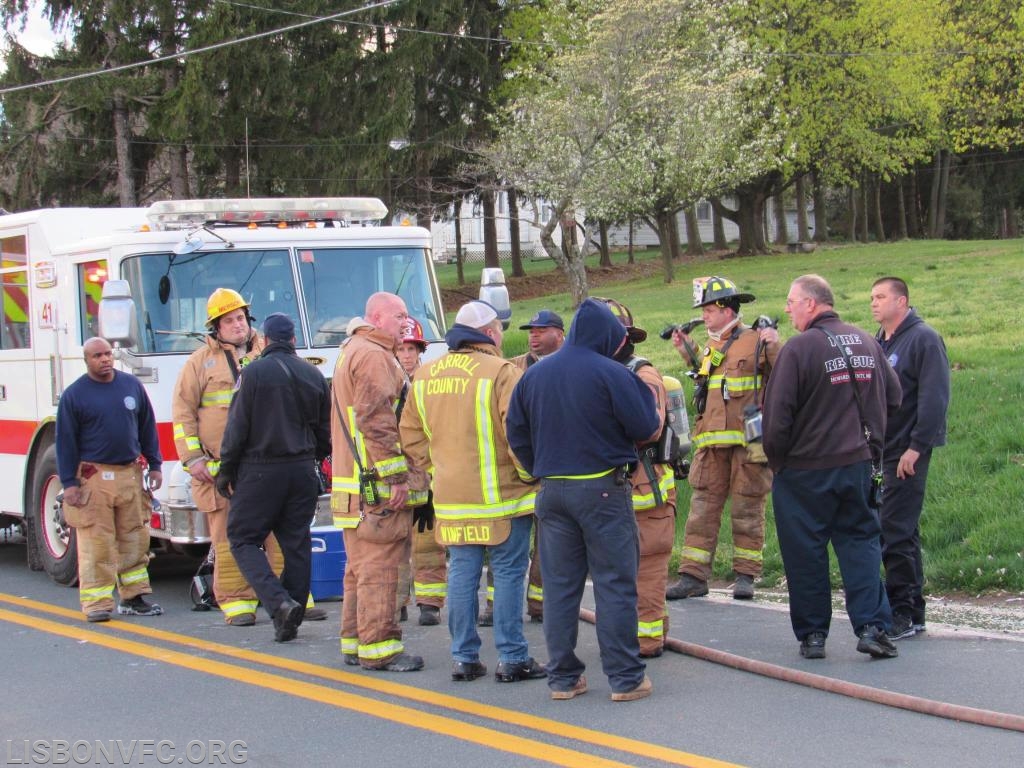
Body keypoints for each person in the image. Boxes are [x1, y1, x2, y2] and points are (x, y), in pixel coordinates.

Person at [507, 298, 661, 702]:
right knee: (613, 584)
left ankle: (563, 678)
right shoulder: (612, 373)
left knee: (559, 588)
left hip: (552, 493)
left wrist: (539, 466)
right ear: (608, 337)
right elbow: (647, 426)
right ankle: (625, 678)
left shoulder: (534, 375)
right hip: (603, 491)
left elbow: (515, 432)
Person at [401, 300, 545, 683]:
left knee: (461, 574)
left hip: (452, 499)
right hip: (502, 500)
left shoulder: (426, 375)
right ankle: (512, 657)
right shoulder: (501, 372)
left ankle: (464, 659)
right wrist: (530, 474)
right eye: (498, 329)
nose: (500, 336)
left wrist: (439, 470)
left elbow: (411, 436)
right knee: (510, 573)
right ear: (487, 334)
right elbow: (518, 433)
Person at [762, 275, 902, 660]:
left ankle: (813, 636)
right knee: (861, 544)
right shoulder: (866, 341)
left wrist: (779, 463)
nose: (787, 309)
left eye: (792, 301)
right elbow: (895, 396)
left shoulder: (798, 350)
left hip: (805, 472)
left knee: (805, 552)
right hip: (858, 463)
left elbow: (776, 420)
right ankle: (873, 627)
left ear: (811, 304)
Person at [171, 288, 326, 626]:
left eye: (241, 317)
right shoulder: (199, 364)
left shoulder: (265, 353)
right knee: (228, 536)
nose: (238, 324)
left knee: (280, 536)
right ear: (215, 327)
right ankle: (238, 602)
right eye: (229, 320)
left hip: (263, 465)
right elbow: (183, 414)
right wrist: (194, 459)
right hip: (219, 467)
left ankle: (291, 599)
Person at [331, 292, 429, 672]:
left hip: (353, 486)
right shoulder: (372, 355)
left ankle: (356, 641)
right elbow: (377, 419)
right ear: (376, 316)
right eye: (399, 315)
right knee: (381, 567)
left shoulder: (353, 349)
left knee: (359, 568)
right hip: (375, 486)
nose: (406, 322)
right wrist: (397, 475)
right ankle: (381, 648)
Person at [218, 313, 331, 643]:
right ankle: (289, 618)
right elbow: (325, 434)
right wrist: (311, 456)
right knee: (296, 542)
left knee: (241, 537)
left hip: (260, 470)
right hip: (302, 470)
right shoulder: (314, 375)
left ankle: (279, 603)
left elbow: (236, 427)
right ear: (294, 340)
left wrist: (227, 469)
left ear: (264, 340)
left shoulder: (251, 374)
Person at [665, 276, 780, 601]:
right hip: (712, 442)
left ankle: (745, 576)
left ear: (727, 309)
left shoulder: (756, 339)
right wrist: (687, 350)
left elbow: (783, 370)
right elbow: (706, 378)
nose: (704, 316)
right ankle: (693, 576)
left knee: (748, 508)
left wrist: (773, 343)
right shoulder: (715, 345)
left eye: (708, 310)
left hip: (751, 440)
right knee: (702, 509)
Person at [56, 337, 164, 622]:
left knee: (135, 540)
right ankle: (97, 604)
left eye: (107, 354)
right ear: (86, 360)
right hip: (94, 479)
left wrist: (155, 465)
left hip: (129, 474)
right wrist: (69, 483)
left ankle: (134, 597)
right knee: (97, 543)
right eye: (97, 356)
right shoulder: (74, 395)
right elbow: (65, 442)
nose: (104, 359)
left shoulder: (131, 386)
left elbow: (147, 427)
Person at [870, 277, 950, 640]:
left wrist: (917, 448)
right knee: (899, 529)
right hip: (881, 452)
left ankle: (902, 611)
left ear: (901, 301)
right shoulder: (879, 342)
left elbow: (934, 399)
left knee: (895, 532)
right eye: (872, 297)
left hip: (906, 453)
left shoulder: (924, 339)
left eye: (881, 296)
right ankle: (911, 609)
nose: (874, 303)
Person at [597, 298, 676, 659]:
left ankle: (648, 640)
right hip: (614, 491)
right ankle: (640, 634)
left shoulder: (644, 375)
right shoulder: (601, 370)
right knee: (617, 569)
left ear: (623, 338)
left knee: (648, 567)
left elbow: (648, 428)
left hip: (647, 491)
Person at [479, 309, 566, 627]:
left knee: (549, 541)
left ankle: (541, 604)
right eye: (531, 330)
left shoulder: (569, 367)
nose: (534, 335)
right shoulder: (511, 368)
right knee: (505, 541)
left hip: (553, 466)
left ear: (561, 334)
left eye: (542, 330)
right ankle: (494, 605)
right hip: (516, 467)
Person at [394, 317, 447, 627]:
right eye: (401, 348)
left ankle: (429, 603)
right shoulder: (386, 381)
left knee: (429, 543)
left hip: (427, 473)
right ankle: (397, 601)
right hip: (396, 475)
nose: (407, 354)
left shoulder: (429, 381)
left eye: (412, 348)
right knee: (396, 544)